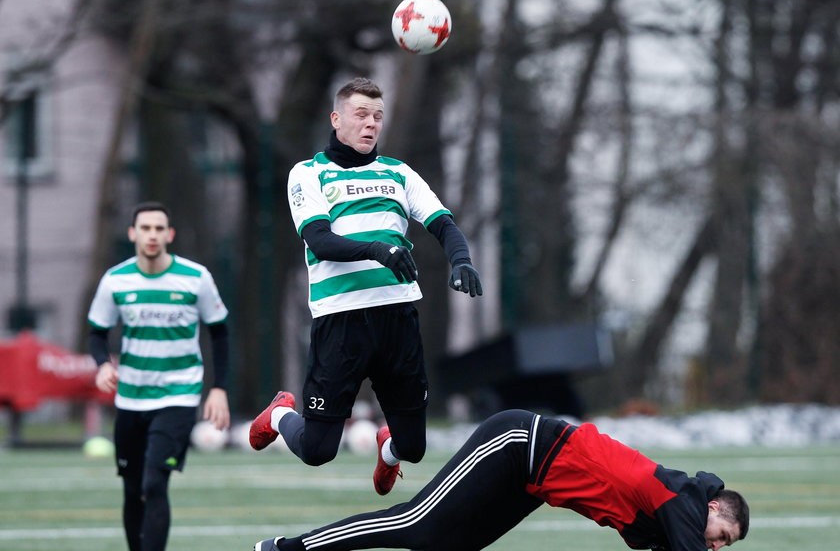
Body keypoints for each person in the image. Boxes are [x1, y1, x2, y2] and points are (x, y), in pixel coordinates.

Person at [249, 77, 482, 495]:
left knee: (413, 447)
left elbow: (443, 223)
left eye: (377, 116)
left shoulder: (397, 172)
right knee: (319, 450)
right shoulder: (308, 173)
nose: (370, 124)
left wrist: (461, 259)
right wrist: (378, 250)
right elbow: (319, 240)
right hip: (340, 324)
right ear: (336, 119)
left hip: (398, 320)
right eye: (360, 115)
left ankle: (387, 450)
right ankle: (281, 414)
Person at [253, 409, 749, 551]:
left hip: (533, 484)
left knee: (446, 545)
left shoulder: (673, 523)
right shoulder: (684, 500)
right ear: (711, 509)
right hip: (519, 443)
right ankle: (285, 548)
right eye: (722, 537)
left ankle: (391, 443)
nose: (717, 547)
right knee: (413, 523)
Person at [88, 201, 231, 551]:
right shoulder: (115, 280)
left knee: (154, 483)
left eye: (158, 229)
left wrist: (219, 389)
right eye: (145, 228)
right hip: (130, 399)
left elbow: (220, 332)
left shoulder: (196, 278)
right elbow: (96, 332)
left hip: (178, 397)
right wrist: (103, 365)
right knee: (132, 487)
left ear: (169, 235)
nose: (152, 235)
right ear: (133, 233)